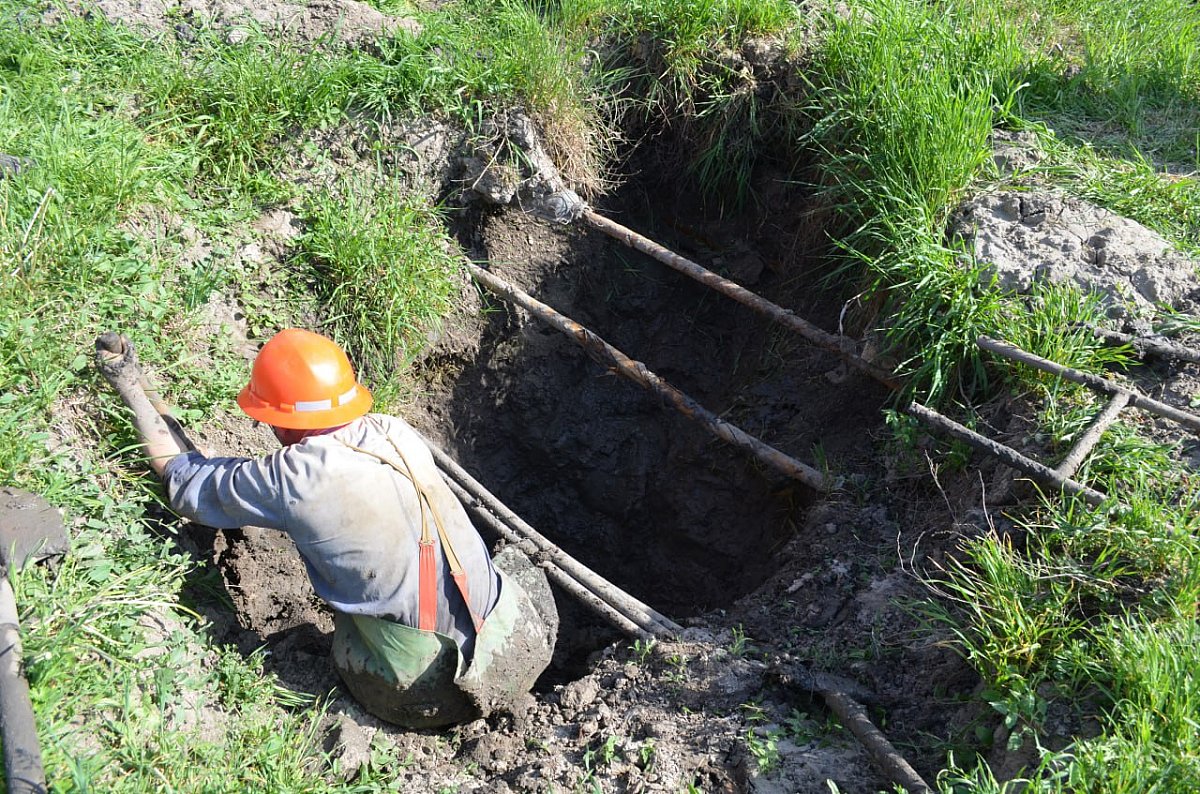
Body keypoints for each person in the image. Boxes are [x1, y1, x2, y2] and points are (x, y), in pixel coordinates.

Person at [106, 328, 556, 728]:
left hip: (428, 692)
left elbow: (183, 481)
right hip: (516, 642)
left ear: (279, 421)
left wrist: (131, 386)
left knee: (350, 630)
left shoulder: (295, 476)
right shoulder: (394, 430)